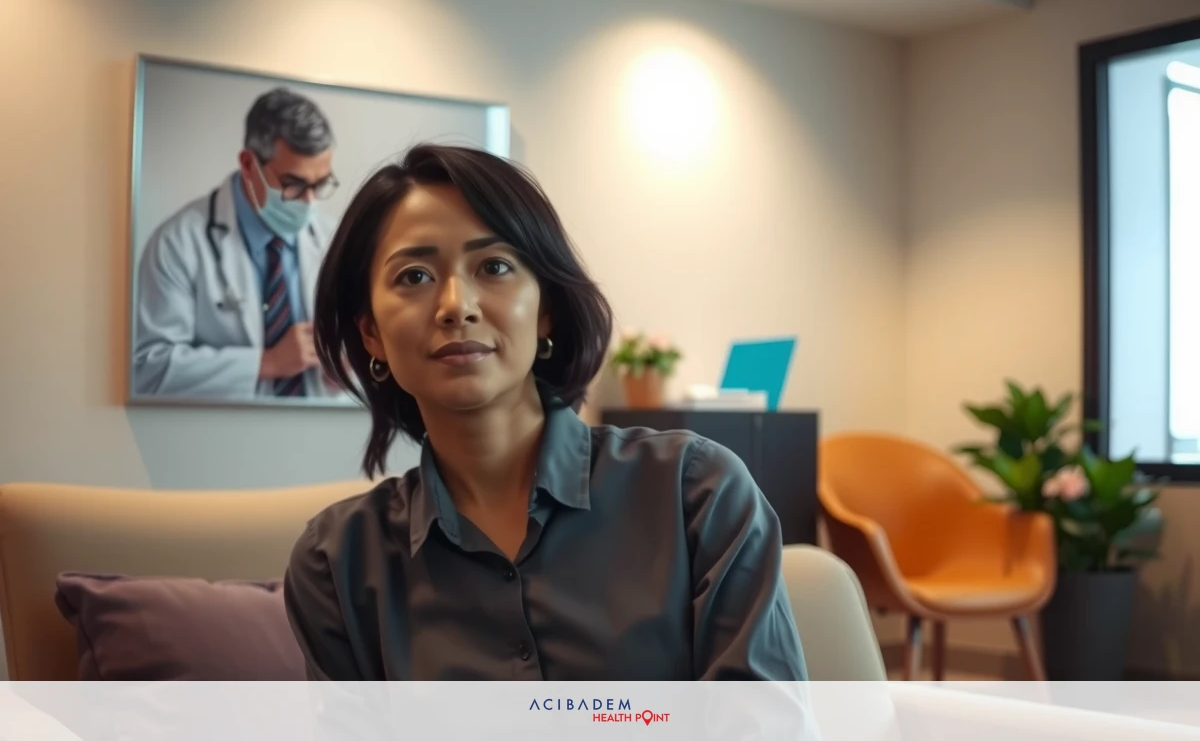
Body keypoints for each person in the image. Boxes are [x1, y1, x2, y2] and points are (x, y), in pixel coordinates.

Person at [283, 144, 807, 680]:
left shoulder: (696, 494)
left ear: (546, 309)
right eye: (414, 276)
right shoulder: (336, 565)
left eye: (494, 266)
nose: (456, 305)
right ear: (370, 331)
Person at [133, 87, 343, 399]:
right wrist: (266, 362)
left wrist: (345, 370)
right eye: (294, 184)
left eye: (320, 184)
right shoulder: (178, 242)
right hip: (219, 439)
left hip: (313, 433)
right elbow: (149, 371)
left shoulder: (330, 238)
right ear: (248, 165)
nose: (309, 201)